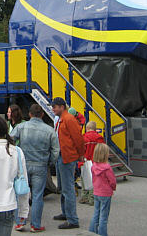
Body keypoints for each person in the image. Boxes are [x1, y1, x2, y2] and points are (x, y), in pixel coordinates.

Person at [10, 103, 59, 232]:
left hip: (24, 164)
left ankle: (20, 221)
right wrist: (49, 162)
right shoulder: (49, 130)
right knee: (37, 196)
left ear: (29, 114)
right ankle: (35, 225)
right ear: (42, 115)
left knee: (21, 193)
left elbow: (10, 140)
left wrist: (15, 156)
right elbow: (55, 150)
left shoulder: (21, 127)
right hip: (40, 165)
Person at [51, 97, 84, 230]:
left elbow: (79, 138)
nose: (53, 109)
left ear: (62, 107)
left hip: (67, 157)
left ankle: (72, 219)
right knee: (64, 187)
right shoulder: (63, 119)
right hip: (63, 156)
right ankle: (66, 213)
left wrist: (81, 155)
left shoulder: (68, 120)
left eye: (55, 107)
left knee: (68, 188)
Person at [89, 143, 117, 236]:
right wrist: (113, 188)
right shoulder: (107, 168)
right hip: (106, 193)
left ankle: (92, 232)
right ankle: (102, 234)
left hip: (97, 192)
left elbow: (93, 179)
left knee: (96, 214)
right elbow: (112, 181)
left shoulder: (93, 166)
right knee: (104, 217)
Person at [79, 121, 105, 206]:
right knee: (95, 180)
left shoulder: (84, 138)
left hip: (86, 162)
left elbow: (81, 151)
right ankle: (92, 198)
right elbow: (103, 150)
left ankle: (84, 196)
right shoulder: (100, 138)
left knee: (84, 179)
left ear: (87, 128)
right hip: (96, 162)